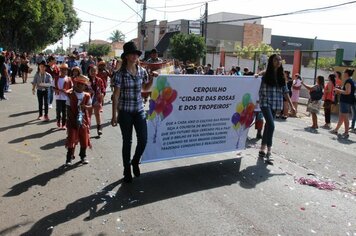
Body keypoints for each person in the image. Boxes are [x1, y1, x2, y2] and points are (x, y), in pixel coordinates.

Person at [111, 41, 151, 183]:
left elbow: (145, 89)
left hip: (139, 110)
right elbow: (116, 95)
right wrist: (114, 115)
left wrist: (153, 78)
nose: (135, 56)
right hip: (125, 112)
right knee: (127, 141)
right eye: (132, 54)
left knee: (143, 140)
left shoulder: (142, 71)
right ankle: (126, 168)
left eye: (136, 54)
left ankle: (135, 161)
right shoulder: (120, 74)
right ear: (126, 56)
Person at [258, 54, 295, 161]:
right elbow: (256, 80)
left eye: (279, 60)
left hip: (276, 104)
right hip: (265, 102)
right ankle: (269, 150)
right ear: (271, 61)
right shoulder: (264, 75)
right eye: (275, 60)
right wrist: (256, 75)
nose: (278, 62)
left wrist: (292, 106)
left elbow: (286, 92)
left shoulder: (281, 76)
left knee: (268, 126)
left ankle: (262, 148)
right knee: (271, 125)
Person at [65, 75, 92, 166]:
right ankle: (69, 158)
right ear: (76, 84)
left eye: (83, 85)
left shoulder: (87, 95)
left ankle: (83, 156)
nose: (80, 86)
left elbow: (90, 106)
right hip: (72, 120)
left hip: (83, 120)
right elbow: (68, 108)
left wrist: (85, 107)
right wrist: (71, 120)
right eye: (79, 84)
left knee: (84, 138)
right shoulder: (71, 95)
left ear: (85, 86)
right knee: (71, 139)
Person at [331, 69, 355, 139]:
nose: (343, 73)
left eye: (344, 72)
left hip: (345, 101)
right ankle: (336, 130)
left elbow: (348, 92)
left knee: (345, 117)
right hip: (345, 101)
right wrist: (341, 88)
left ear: (346, 74)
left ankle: (346, 132)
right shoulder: (350, 81)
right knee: (341, 117)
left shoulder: (348, 81)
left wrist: (338, 90)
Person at [52, 63, 73, 129]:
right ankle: (58, 120)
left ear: (67, 71)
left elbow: (72, 88)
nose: (64, 71)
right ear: (60, 70)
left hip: (66, 98)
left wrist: (68, 91)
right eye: (62, 70)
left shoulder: (69, 79)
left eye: (65, 70)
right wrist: (56, 90)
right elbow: (52, 87)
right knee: (58, 110)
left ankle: (64, 124)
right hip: (58, 97)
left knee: (65, 112)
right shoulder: (56, 78)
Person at [88, 65, 105, 136]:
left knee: (97, 114)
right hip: (88, 99)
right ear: (89, 72)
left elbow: (103, 89)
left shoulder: (99, 80)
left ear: (97, 72)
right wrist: (87, 91)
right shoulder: (86, 80)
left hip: (97, 99)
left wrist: (102, 94)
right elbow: (82, 88)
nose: (93, 72)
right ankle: (87, 129)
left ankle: (99, 128)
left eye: (94, 71)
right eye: (91, 71)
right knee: (88, 115)